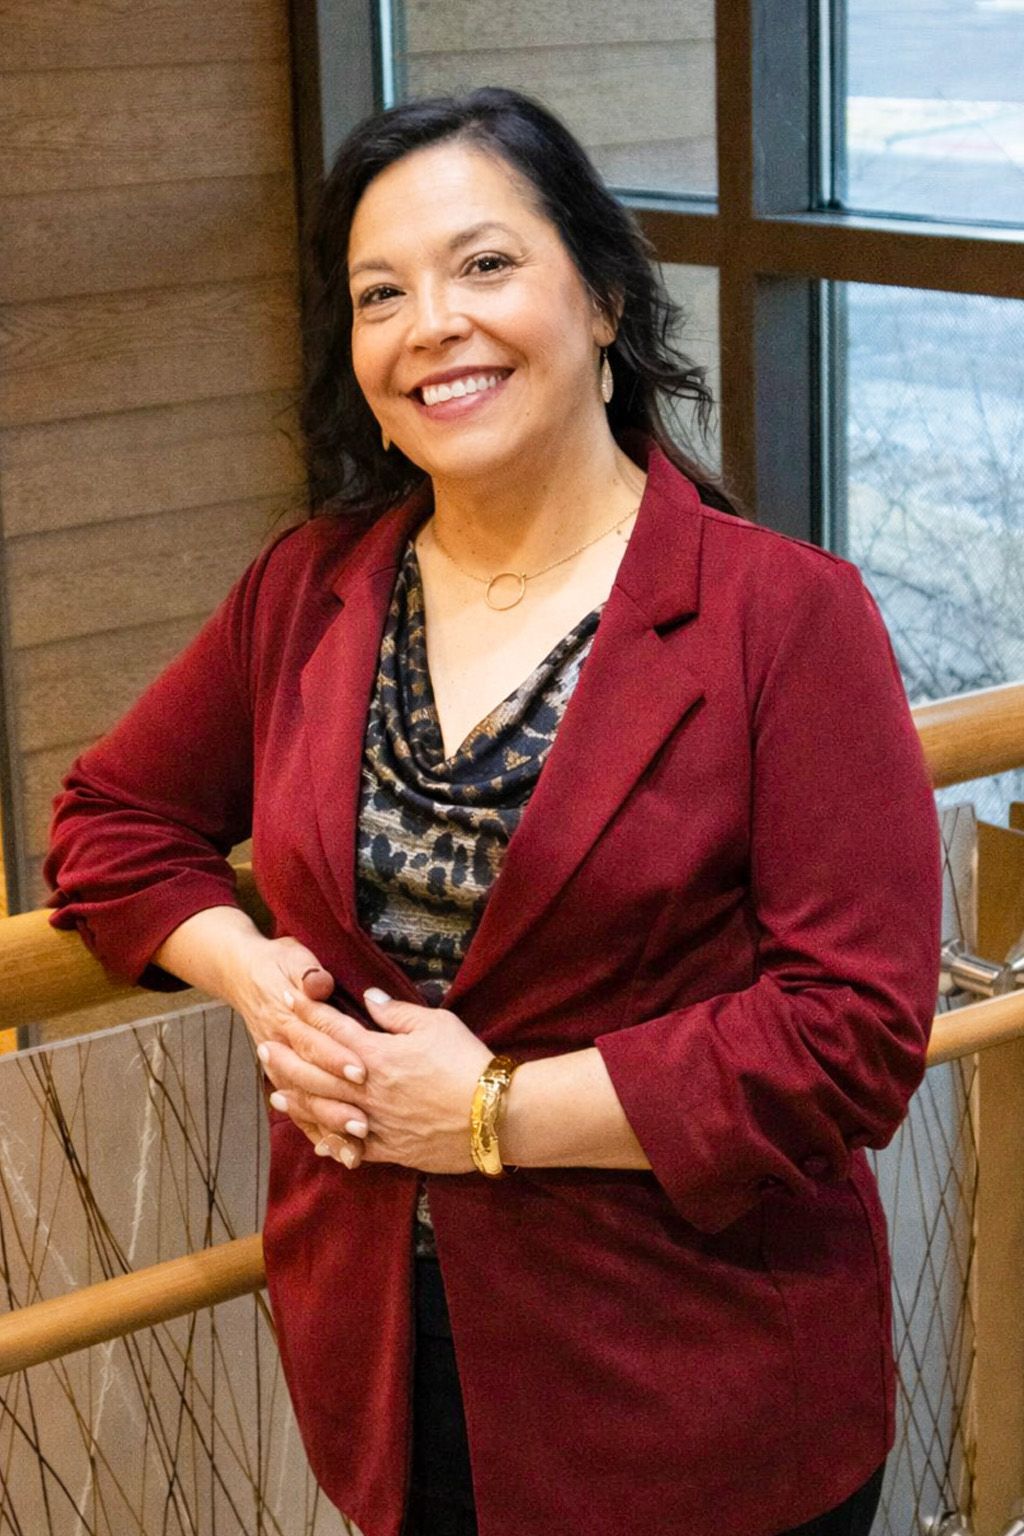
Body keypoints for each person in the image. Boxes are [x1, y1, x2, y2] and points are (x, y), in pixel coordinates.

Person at [45, 87, 941, 1536]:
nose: (432, 325)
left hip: (695, 1395)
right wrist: (250, 970)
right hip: (390, 1378)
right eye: (380, 293)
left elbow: (849, 1035)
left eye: (485, 266)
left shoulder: (785, 619)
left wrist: (486, 1111)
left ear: (599, 299)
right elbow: (108, 821)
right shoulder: (312, 586)